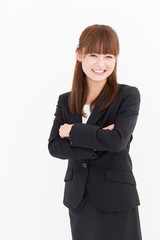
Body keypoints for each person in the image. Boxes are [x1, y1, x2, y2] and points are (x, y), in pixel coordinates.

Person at [48, 24, 142, 240]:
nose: (101, 63)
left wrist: (73, 130)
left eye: (109, 55)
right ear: (79, 55)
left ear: (116, 58)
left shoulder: (127, 96)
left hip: (117, 197)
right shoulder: (66, 100)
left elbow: (117, 141)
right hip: (79, 198)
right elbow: (54, 146)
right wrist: (100, 137)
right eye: (93, 54)